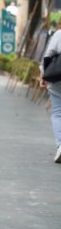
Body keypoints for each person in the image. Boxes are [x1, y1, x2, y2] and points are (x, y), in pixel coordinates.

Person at [40, 27, 61, 163]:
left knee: (57, 112)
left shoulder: (59, 34)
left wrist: (44, 75)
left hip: (58, 77)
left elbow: (47, 56)